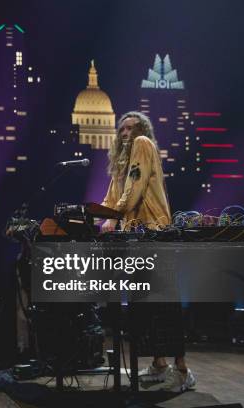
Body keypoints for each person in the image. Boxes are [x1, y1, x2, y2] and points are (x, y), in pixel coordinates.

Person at [100, 111, 196, 392]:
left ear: (141, 129)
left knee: (164, 305)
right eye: (122, 129)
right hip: (137, 237)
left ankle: (182, 371)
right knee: (144, 306)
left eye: (131, 128)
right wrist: (98, 216)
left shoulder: (143, 144)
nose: (125, 133)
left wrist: (113, 215)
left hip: (154, 233)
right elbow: (111, 196)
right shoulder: (121, 162)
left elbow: (135, 188)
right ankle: (159, 364)